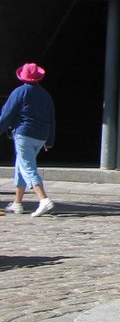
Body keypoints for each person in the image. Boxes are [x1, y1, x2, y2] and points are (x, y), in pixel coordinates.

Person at [1, 62, 56, 218]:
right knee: (21, 165)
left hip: (23, 134)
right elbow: (52, 119)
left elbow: (7, 114)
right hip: (41, 136)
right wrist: (50, 140)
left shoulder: (20, 92)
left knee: (27, 168)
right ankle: (17, 203)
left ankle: (44, 199)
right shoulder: (46, 95)